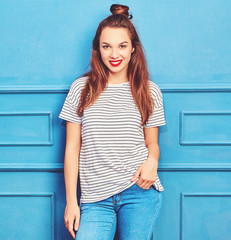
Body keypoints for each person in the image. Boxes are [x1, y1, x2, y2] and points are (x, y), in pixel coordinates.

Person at [58, 4, 166, 240]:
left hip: (139, 191)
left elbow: (152, 143)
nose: (114, 54)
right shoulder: (81, 89)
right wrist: (71, 202)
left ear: (134, 49)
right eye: (106, 46)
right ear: (97, 49)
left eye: (122, 46)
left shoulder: (149, 91)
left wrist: (152, 162)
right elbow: (72, 148)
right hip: (95, 198)